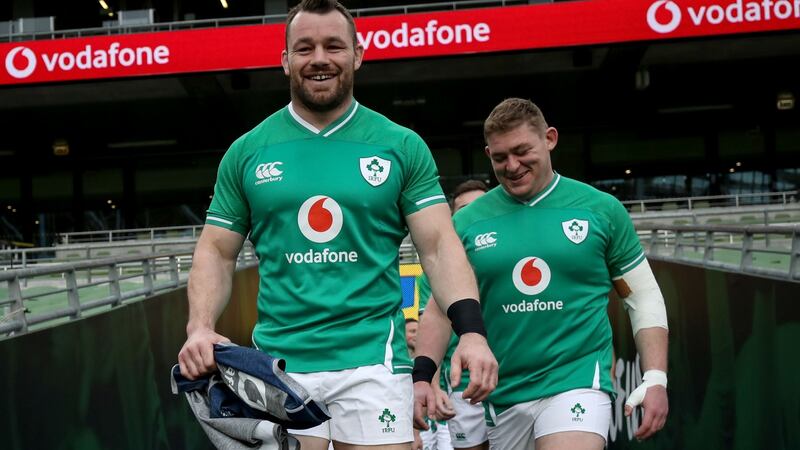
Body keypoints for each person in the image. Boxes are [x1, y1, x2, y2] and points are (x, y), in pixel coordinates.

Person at [177, 1, 498, 449]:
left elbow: (440, 247)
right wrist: (200, 327)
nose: (320, 59)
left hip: (373, 362)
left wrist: (473, 333)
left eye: (334, 46)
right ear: (286, 60)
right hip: (281, 367)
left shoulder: (400, 145)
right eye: (304, 48)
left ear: (358, 55)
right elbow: (216, 250)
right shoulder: (247, 151)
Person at [413, 98, 669, 450]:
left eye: (522, 151)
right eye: (500, 157)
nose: (512, 165)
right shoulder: (466, 224)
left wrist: (655, 378)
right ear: (488, 154)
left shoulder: (602, 210)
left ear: (549, 138)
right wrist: (423, 377)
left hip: (577, 377)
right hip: (500, 392)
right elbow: (441, 307)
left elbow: (641, 296)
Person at [415, 180, 490, 450]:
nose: (470, 216)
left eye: (479, 207)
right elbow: (432, 328)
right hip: (462, 388)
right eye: (461, 211)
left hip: (509, 384)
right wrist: (432, 386)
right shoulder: (433, 274)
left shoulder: (504, 258)